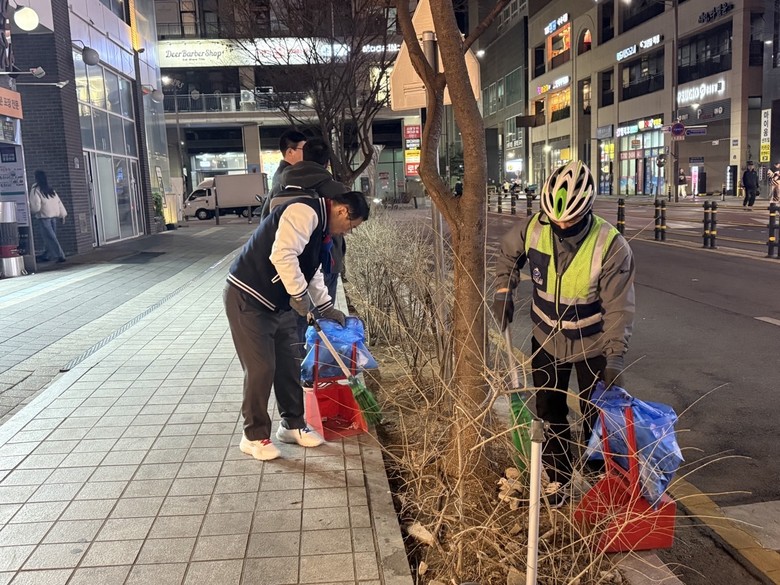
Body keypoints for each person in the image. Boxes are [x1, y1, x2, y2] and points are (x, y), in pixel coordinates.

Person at [492, 160, 635, 508]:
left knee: (595, 416)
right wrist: (503, 291)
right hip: (546, 338)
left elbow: (619, 307)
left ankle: (598, 487)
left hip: (593, 343)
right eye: (556, 220)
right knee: (549, 411)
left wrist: (615, 356)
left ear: (586, 210)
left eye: (570, 221)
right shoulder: (534, 228)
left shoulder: (611, 246)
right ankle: (558, 481)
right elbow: (508, 255)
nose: (562, 226)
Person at [224, 190, 370, 461]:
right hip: (248, 297)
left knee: (290, 362)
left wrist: (325, 306)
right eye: (351, 225)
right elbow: (283, 255)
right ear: (342, 211)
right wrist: (300, 296)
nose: (347, 232)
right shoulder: (304, 212)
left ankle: (292, 424)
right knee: (261, 367)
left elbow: (311, 269)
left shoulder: (320, 229)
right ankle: (253, 436)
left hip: (278, 303)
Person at [29, 170, 68, 263]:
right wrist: (63, 214)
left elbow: (36, 206)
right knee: (51, 236)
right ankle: (47, 254)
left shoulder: (35, 190)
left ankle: (60, 255)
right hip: (54, 216)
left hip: (44, 217)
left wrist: (31, 211)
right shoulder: (50, 190)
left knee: (50, 237)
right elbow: (58, 202)